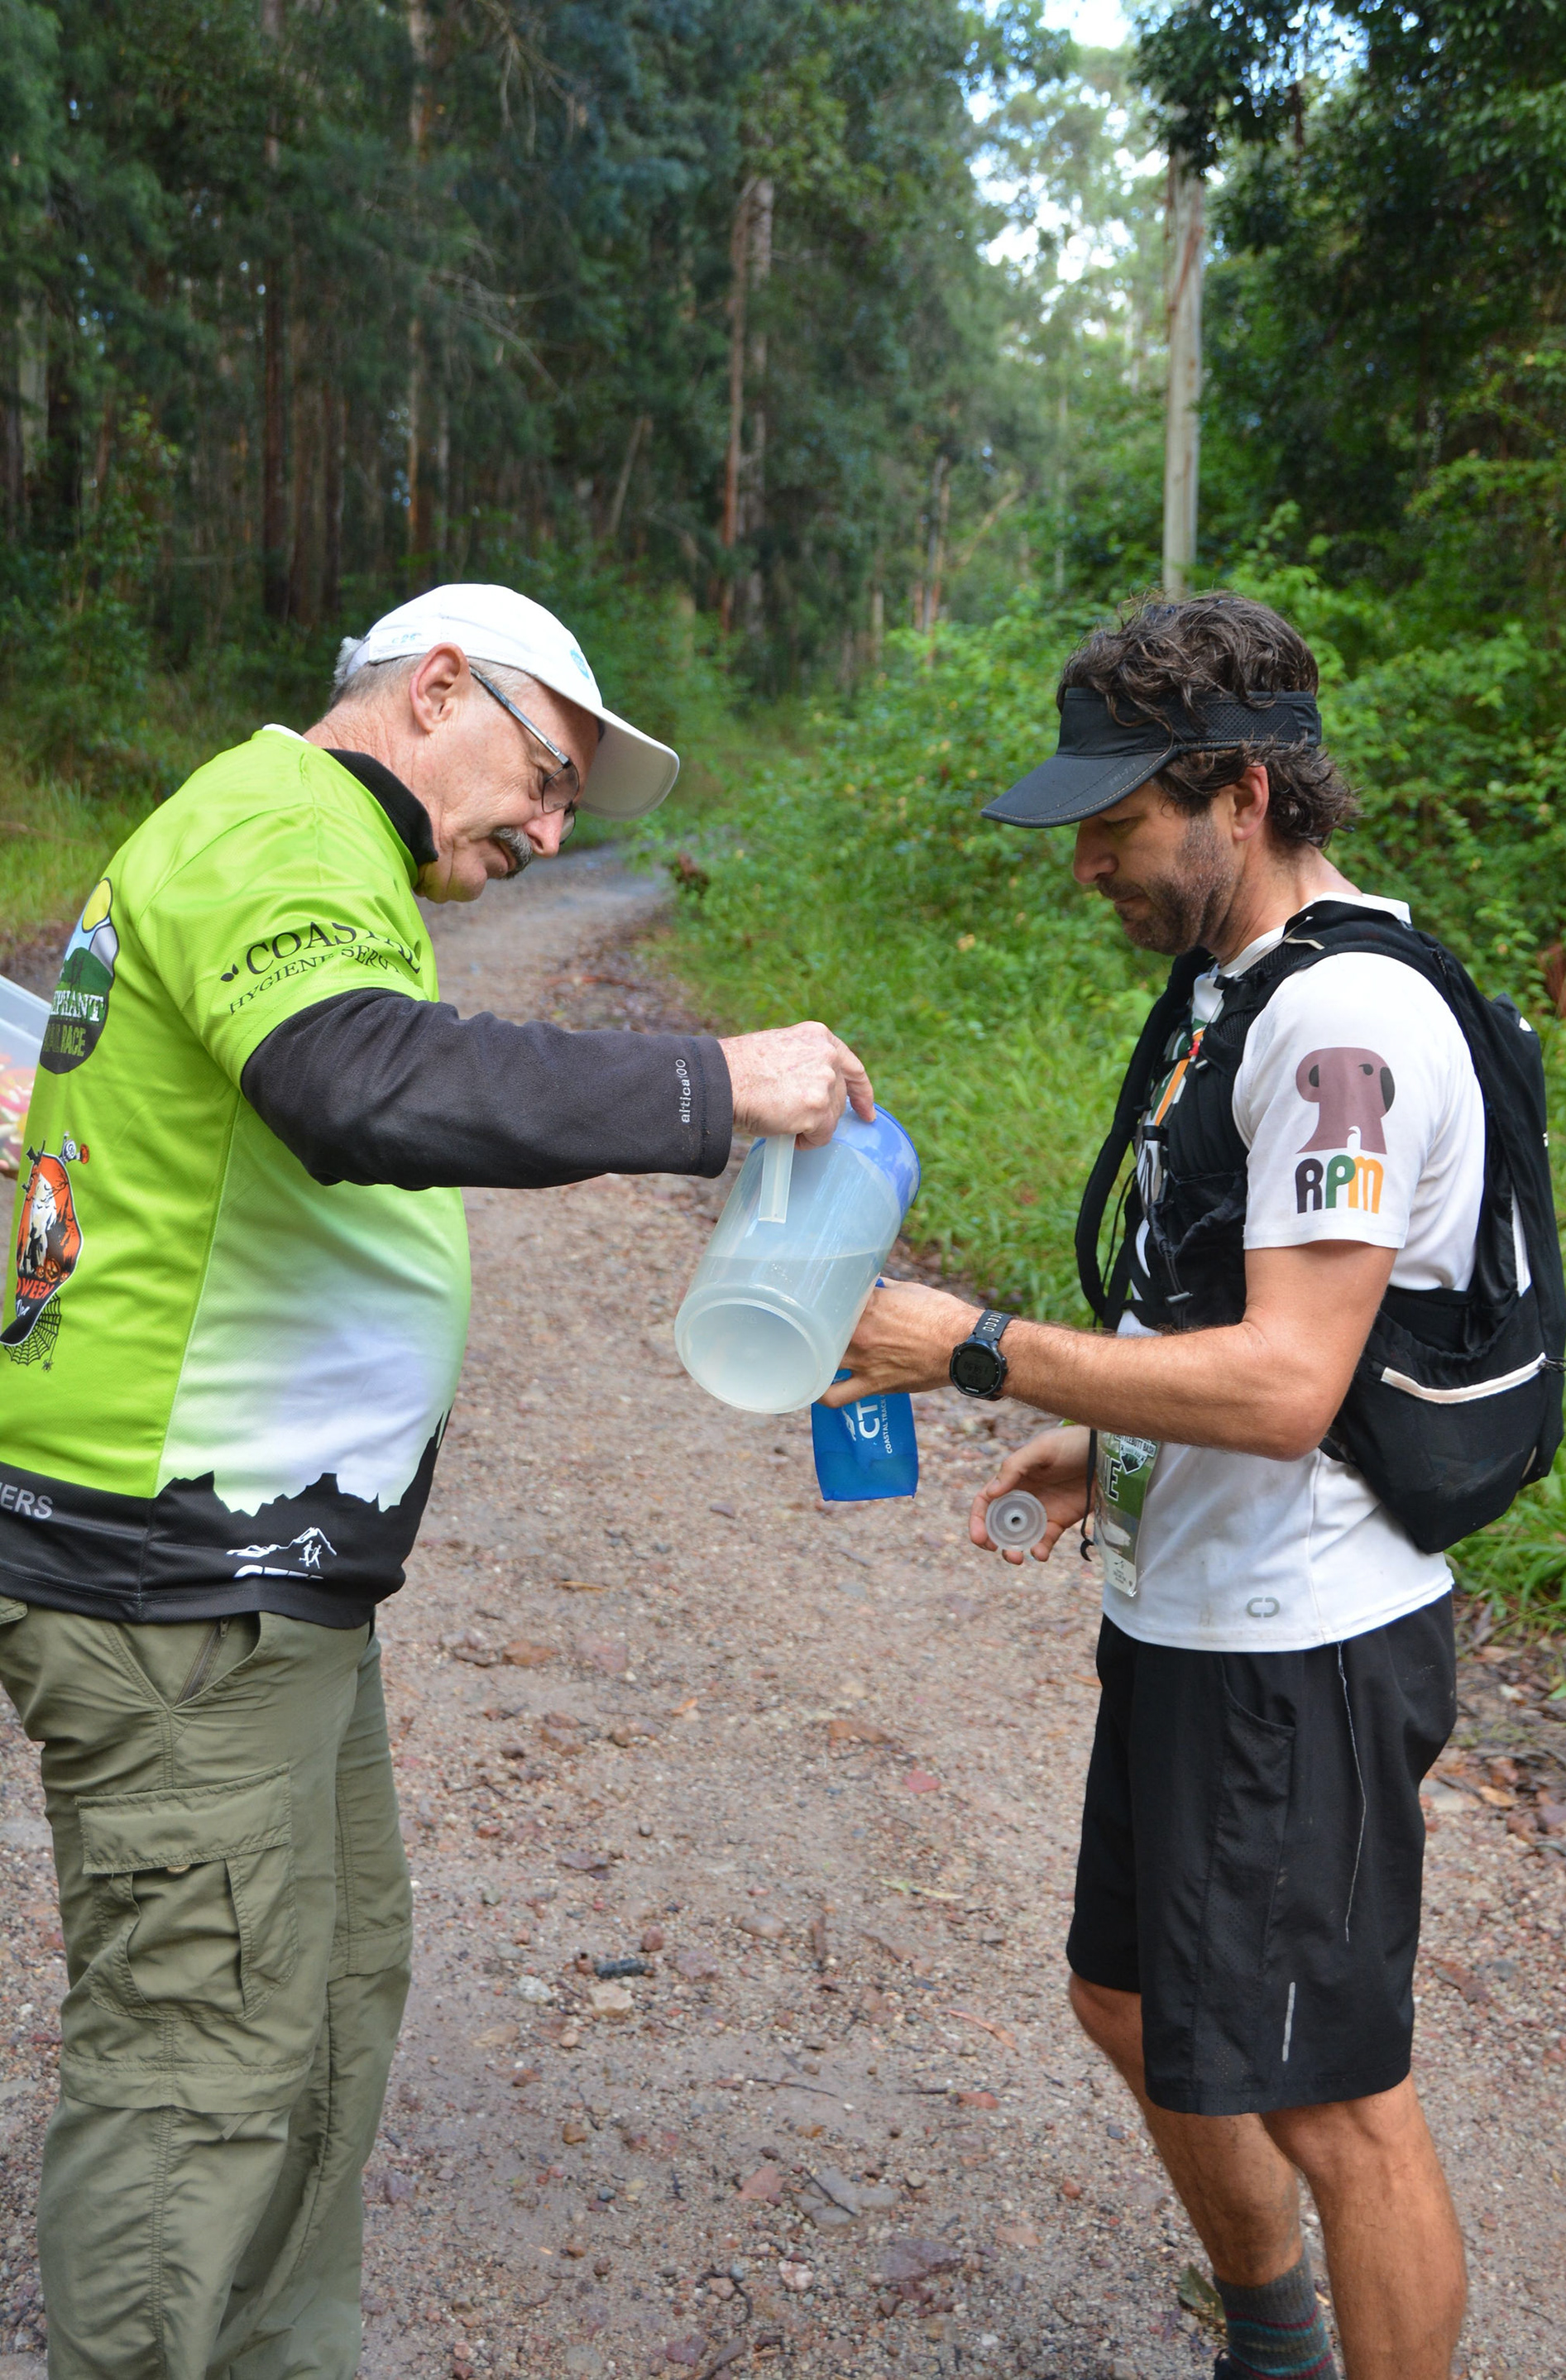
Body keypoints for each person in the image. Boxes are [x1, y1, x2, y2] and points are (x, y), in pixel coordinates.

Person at [0, 582, 871, 2378]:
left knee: (328, 1992)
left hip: (266, 1576)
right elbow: (360, 1083)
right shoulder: (276, 817)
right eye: (545, 781)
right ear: (438, 688)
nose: (550, 837)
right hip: (178, 1576)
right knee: (200, 2057)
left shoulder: (324, 854)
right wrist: (708, 1081)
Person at [830, 593, 1483, 2380]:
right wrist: (1104, 1441)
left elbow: (1286, 1381)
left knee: (1338, 2099)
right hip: (1195, 1616)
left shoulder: (1347, 1027)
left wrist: (981, 1348)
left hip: (1302, 1642)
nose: (1087, 864)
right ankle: (1274, 2334)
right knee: (1128, 1998)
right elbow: (1216, 1300)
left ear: (1243, 796)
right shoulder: (1234, 989)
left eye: (1118, 824)